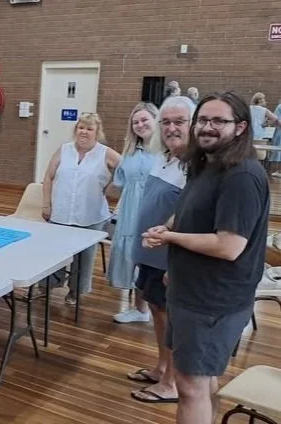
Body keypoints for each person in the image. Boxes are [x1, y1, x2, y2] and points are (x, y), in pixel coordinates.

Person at [142, 92, 269, 424]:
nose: (207, 127)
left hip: (212, 301)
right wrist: (169, 229)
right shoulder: (207, 164)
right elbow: (192, 212)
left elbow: (229, 246)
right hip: (189, 291)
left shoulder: (241, 176)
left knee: (190, 387)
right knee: (201, 381)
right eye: (202, 120)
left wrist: (171, 238)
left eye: (218, 121)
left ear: (240, 127)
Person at [126, 96, 194, 403]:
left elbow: (188, 212)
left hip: (169, 253)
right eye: (165, 122)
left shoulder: (194, 165)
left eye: (179, 122)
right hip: (151, 250)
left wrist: (166, 234)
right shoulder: (163, 156)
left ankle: (171, 383)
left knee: (169, 315)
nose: (171, 128)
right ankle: (161, 368)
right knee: (156, 308)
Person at [42, 112, 121, 304]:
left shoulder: (105, 153)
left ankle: (75, 292)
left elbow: (128, 171)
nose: (84, 132)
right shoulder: (64, 149)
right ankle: (48, 286)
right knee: (54, 252)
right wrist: (46, 204)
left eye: (89, 129)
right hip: (61, 212)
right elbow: (48, 177)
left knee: (84, 258)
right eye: (81, 127)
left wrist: (111, 187)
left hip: (91, 215)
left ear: (97, 132)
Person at [108, 102, 158, 323]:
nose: (140, 125)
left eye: (144, 120)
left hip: (154, 208)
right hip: (130, 209)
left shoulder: (166, 152)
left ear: (156, 120)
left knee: (151, 258)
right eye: (135, 122)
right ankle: (140, 309)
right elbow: (121, 183)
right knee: (133, 256)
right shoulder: (129, 152)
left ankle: (157, 308)